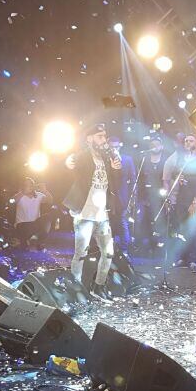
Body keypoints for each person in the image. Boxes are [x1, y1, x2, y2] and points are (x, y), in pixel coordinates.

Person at [62, 123, 122, 295]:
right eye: (100, 136)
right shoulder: (83, 156)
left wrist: (117, 169)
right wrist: (68, 161)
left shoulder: (107, 157)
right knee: (80, 254)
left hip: (103, 214)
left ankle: (99, 286)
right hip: (84, 214)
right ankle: (76, 289)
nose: (104, 139)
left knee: (109, 253)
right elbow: (70, 163)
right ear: (90, 139)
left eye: (105, 136)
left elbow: (114, 183)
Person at [162, 134, 196, 266]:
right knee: (181, 229)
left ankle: (193, 258)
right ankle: (182, 257)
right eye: (186, 141)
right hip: (181, 198)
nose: (187, 143)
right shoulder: (180, 159)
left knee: (192, 229)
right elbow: (172, 174)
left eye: (191, 140)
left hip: (193, 198)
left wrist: (195, 201)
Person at [137, 135, 167, 248]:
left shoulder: (165, 161)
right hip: (146, 196)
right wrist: (141, 197)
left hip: (160, 197)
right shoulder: (144, 160)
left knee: (160, 220)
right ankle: (145, 245)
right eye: (152, 145)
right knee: (145, 221)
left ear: (162, 147)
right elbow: (139, 179)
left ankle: (159, 245)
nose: (154, 147)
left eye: (157, 145)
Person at [109, 136, 137, 249]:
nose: (115, 149)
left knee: (122, 223)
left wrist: (133, 198)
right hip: (109, 196)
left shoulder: (127, 159)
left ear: (120, 146)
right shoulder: (105, 159)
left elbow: (133, 180)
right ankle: (108, 249)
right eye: (112, 147)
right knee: (108, 223)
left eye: (116, 147)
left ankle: (124, 250)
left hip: (123, 197)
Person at [12, 179, 48, 246]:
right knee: (31, 229)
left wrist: (45, 191)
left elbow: (50, 201)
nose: (29, 186)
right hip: (22, 224)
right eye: (26, 185)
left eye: (31, 184)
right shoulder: (20, 195)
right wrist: (23, 192)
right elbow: (12, 201)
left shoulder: (39, 195)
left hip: (35, 224)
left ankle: (31, 240)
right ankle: (26, 241)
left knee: (46, 219)